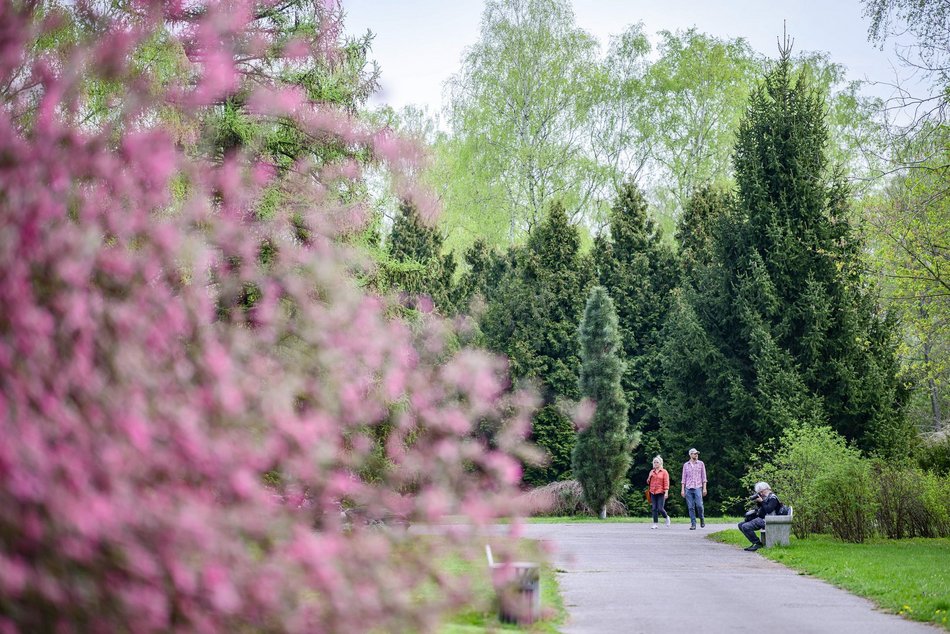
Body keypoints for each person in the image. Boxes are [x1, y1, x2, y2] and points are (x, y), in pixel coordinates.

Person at [738, 482, 781, 551]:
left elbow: (768, 510)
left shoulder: (773, 498)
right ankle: (755, 542)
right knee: (740, 525)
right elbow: (762, 509)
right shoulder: (766, 497)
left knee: (746, 526)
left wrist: (762, 501)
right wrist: (759, 502)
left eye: (760, 492)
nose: (760, 493)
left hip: (768, 520)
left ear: (764, 489)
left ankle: (758, 544)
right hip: (762, 518)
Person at [680, 448, 707, 529]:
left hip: (698, 487)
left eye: (697, 454)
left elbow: (704, 477)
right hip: (688, 488)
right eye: (695, 454)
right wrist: (682, 489)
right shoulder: (686, 465)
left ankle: (701, 518)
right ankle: (693, 523)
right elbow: (683, 478)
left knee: (699, 505)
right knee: (690, 507)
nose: (696, 455)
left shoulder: (701, 464)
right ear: (690, 454)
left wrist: (704, 488)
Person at [646, 456, 670, 529]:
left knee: (660, 508)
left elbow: (666, 483)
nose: (655, 464)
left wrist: (666, 492)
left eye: (657, 462)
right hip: (652, 492)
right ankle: (655, 523)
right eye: (654, 462)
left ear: (660, 463)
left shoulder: (664, 472)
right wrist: (649, 477)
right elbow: (648, 482)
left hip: (661, 492)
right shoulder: (652, 471)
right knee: (654, 508)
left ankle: (666, 517)